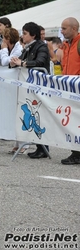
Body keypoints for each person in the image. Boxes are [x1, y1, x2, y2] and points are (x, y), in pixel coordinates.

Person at [9, 22, 50, 159]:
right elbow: (20, 61)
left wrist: (23, 63)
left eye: (25, 33)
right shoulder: (28, 47)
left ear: (33, 35)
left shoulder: (41, 46)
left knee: (39, 116)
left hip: (39, 86)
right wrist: (14, 62)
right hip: (30, 87)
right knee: (34, 115)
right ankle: (40, 146)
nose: (22, 35)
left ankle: (43, 148)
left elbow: (40, 62)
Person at [60, 17, 80, 165]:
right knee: (73, 121)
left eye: (64, 28)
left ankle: (76, 154)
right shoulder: (66, 44)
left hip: (77, 87)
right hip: (69, 88)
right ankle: (76, 152)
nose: (62, 31)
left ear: (74, 29)